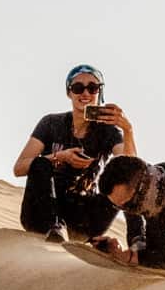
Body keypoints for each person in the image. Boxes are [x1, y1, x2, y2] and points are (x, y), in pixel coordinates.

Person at [12, 65, 143, 249]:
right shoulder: (50, 123)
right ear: (69, 93)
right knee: (40, 163)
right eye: (78, 88)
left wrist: (128, 130)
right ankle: (55, 226)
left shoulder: (108, 132)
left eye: (93, 88)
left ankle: (138, 241)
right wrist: (60, 157)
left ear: (100, 92)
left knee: (125, 177)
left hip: (82, 215)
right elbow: (19, 168)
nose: (85, 93)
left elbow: (133, 170)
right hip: (42, 210)